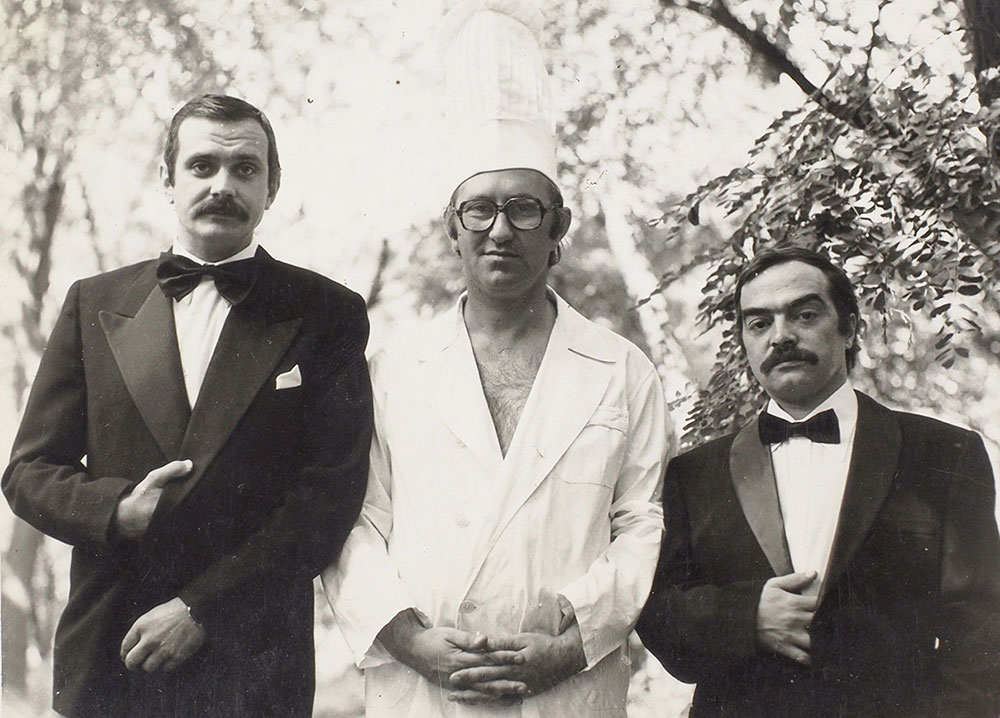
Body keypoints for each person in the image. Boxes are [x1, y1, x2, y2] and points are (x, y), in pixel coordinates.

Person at [322, 3, 670, 716]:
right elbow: (351, 520)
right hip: (423, 694)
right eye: (478, 209)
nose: (500, 230)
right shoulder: (392, 370)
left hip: (569, 694)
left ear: (558, 227)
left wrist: (570, 647)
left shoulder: (622, 370)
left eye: (523, 208)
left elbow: (642, 524)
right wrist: (413, 643)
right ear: (452, 228)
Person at [2, 94, 373, 717]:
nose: (222, 185)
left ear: (272, 187)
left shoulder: (326, 312)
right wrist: (118, 510)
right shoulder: (93, 303)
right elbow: (28, 472)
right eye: (202, 166)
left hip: (252, 662)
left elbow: (330, 494)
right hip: (111, 654)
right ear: (168, 179)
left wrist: (204, 610)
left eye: (245, 169)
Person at [636, 246, 1000, 717]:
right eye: (759, 323)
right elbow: (657, 614)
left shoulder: (944, 455)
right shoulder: (693, 474)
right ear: (744, 342)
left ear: (850, 328)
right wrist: (746, 616)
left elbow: (980, 636)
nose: (781, 336)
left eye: (804, 315)